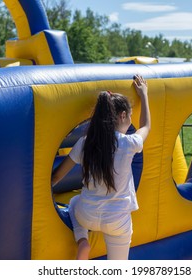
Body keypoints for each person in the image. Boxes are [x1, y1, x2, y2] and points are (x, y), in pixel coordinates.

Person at [51, 74, 150, 260]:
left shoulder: (85, 143)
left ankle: (82, 240)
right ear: (123, 116)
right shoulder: (129, 143)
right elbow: (145, 126)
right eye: (129, 116)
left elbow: (56, 177)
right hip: (117, 219)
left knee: (73, 202)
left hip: (87, 214)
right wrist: (144, 95)